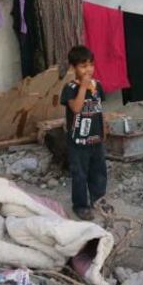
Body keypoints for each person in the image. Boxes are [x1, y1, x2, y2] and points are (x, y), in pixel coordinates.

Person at [60, 45, 107, 221]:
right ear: (73, 68)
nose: (88, 70)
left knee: (99, 171)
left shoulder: (97, 86)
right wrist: (83, 88)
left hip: (96, 139)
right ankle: (80, 205)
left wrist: (104, 128)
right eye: (83, 66)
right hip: (78, 141)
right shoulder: (70, 88)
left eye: (90, 65)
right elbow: (77, 108)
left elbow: (99, 109)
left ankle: (98, 199)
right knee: (80, 174)